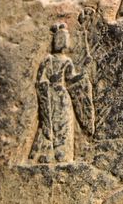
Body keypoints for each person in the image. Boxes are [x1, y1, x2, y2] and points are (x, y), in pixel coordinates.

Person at [30, 23, 93, 163]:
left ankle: (62, 154)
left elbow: (70, 79)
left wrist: (83, 72)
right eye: (60, 39)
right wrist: (47, 85)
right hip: (53, 96)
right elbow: (40, 80)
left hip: (61, 97)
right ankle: (50, 153)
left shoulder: (66, 61)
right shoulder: (49, 60)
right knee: (51, 124)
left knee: (64, 124)